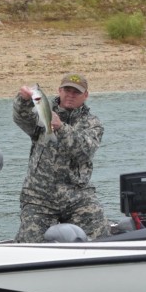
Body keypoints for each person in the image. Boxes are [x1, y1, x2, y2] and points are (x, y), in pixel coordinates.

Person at [13, 73, 109, 242]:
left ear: (85, 95)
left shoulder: (92, 123)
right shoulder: (43, 112)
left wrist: (61, 128)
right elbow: (22, 118)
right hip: (39, 197)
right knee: (30, 243)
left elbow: (84, 151)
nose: (70, 95)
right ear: (59, 91)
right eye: (67, 90)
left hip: (78, 195)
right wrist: (23, 100)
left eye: (76, 92)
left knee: (101, 237)